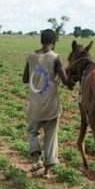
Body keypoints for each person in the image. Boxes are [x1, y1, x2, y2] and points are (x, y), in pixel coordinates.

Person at [22, 29, 75, 176]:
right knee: (51, 136)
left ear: (41, 40)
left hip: (35, 105)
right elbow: (65, 81)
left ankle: (37, 160)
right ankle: (47, 171)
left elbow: (25, 79)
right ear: (54, 42)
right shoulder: (56, 58)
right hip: (51, 105)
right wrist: (73, 80)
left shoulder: (31, 57)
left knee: (32, 132)